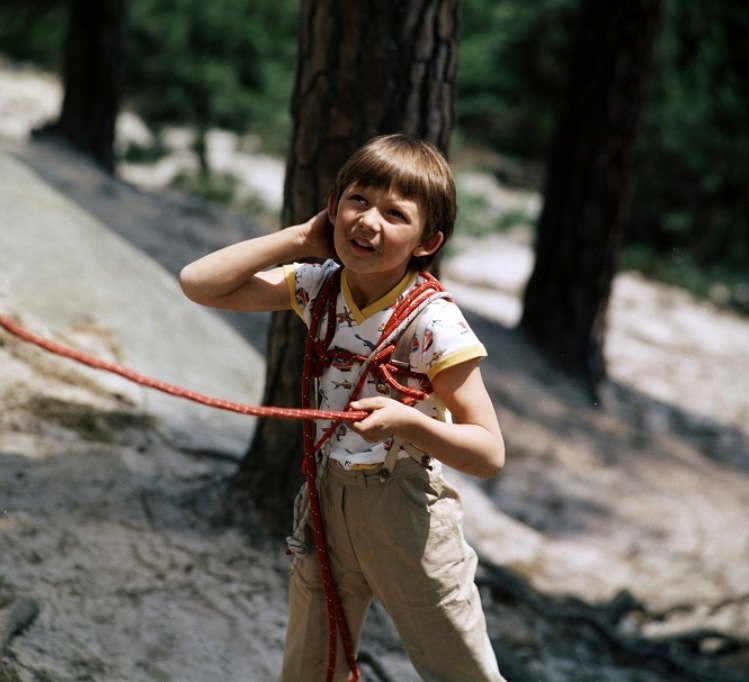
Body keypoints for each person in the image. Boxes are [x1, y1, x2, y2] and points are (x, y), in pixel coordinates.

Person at [180, 133, 506, 681]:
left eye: (395, 214)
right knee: (312, 667)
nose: (368, 222)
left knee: (459, 668)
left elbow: (489, 451)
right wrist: (299, 238)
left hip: (404, 511)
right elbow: (199, 284)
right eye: (357, 200)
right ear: (334, 207)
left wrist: (408, 422)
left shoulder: (433, 324)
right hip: (326, 497)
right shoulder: (319, 287)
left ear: (427, 242)